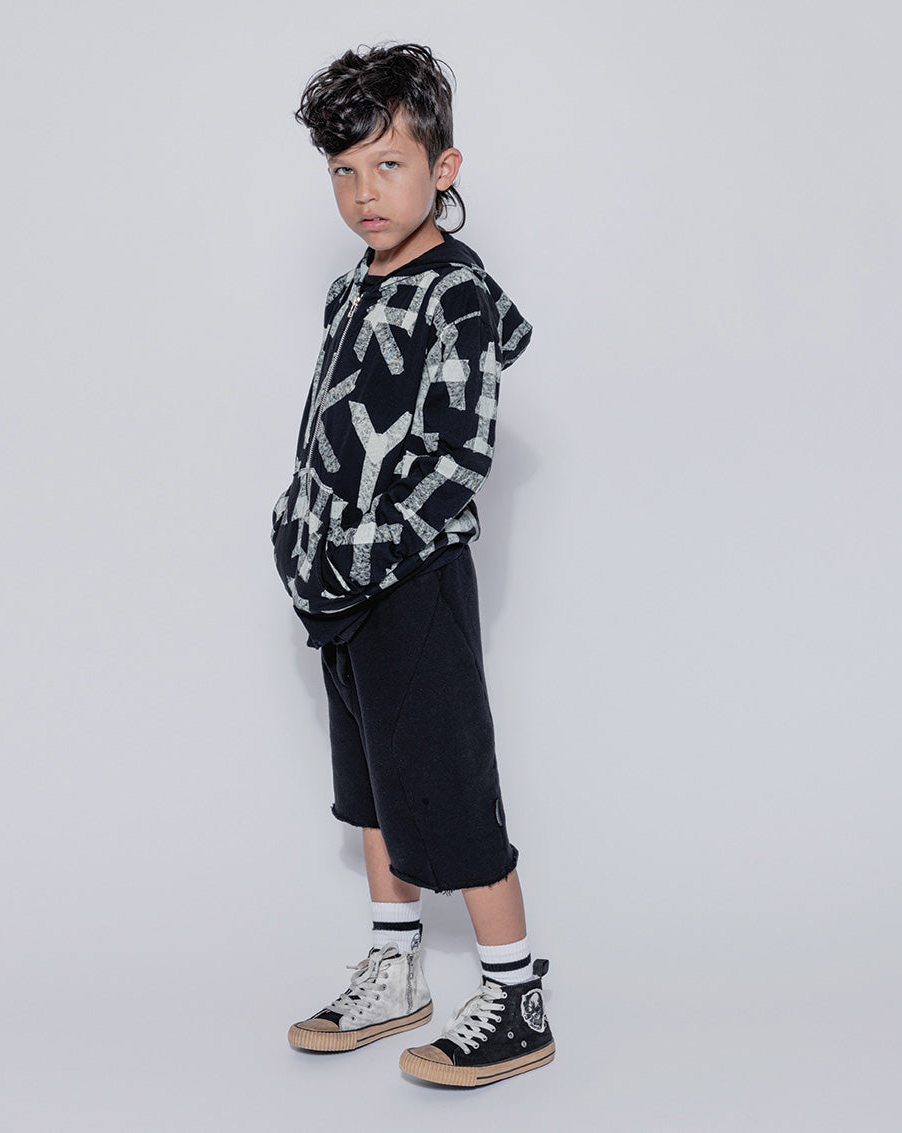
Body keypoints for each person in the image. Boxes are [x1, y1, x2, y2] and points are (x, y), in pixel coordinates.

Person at [270, 42, 554, 1087]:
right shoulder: (352, 288)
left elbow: (456, 460)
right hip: (336, 586)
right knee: (375, 787)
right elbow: (323, 426)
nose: (363, 192)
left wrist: (367, 554)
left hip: (413, 580)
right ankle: (396, 969)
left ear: (443, 167)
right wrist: (295, 529)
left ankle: (515, 993)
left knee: (448, 781)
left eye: (387, 165)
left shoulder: (458, 296)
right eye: (343, 170)